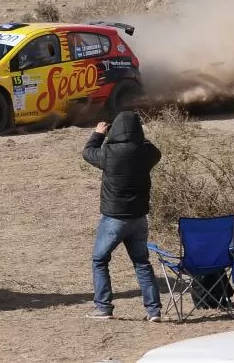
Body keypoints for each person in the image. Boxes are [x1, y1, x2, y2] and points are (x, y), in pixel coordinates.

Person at [82, 111, 163, 321]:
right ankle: (153, 311)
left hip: (113, 219)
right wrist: (137, 137)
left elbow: (88, 152)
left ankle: (103, 307)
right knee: (142, 263)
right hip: (138, 219)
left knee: (100, 260)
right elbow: (156, 151)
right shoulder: (145, 152)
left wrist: (98, 134)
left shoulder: (108, 153)